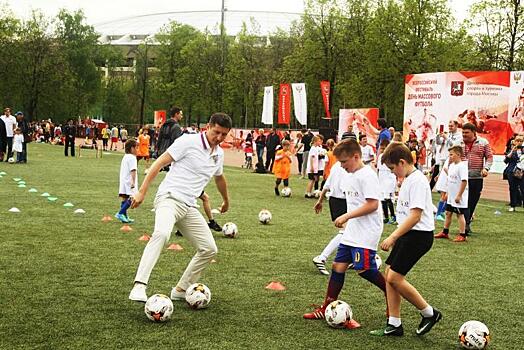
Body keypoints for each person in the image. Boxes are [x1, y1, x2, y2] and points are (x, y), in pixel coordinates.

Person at [128, 113, 231, 303]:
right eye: (216, 132)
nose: (219, 138)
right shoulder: (188, 141)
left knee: (209, 249)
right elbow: (160, 162)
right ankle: (139, 286)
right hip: (169, 198)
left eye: (224, 135)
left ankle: (181, 289)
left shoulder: (219, 153)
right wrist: (142, 192)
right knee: (161, 234)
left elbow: (219, 177)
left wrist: (226, 200)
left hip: (189, 205)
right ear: (207, 127)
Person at [303, 139, 387, 329]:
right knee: (338, 266)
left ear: (356, 157)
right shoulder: (349, 174)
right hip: (353, 230)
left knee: (364, 270)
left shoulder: (367, 175)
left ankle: (391, 292)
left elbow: (373, 204)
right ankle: (326, 308)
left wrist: (346, 216)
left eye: (344, 161)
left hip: (367, 231)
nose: (342, 165)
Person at [371, 142, 441, 337]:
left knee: (394, 277)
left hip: (418, 236)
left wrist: (393, 236)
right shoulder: (409, 179)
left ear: (402, 162)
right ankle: (394, 323)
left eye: (393, 169)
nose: (393, 174)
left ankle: (429, 313)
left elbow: (415, 216)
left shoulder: (417, 180)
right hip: (407, 234)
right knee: (389, 274)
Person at [311, 160, 347, 275]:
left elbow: (327, 184)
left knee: (353, 232)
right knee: (346, 232)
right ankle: (322, 258)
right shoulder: (347, 167)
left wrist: (320, 200)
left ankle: (351, 259)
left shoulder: (337, 165)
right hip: (343, 201)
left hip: (334, 200)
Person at [462, 123, 493, 234]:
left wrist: (486, 168)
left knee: (473, 201)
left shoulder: (483, 142)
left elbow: (489, 157)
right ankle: (465, 225)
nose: (464, 135)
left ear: (473, 132)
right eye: (463, 132)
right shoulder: (459, 143)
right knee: (465, 202)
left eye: (466, 132)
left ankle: (467, 222)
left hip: (477, 177)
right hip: (462, 178)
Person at [435, 145, 469, 242]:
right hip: (451, 196)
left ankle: (462, 235)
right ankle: (445, 232)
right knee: (448, 213)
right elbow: (450, 180)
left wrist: (459, 195)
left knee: (460, 214)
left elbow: (464, 181)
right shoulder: (452, 165)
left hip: (458, 196)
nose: (450, 156)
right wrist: (448, 193)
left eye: (451, 154)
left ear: (458, 154)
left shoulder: (462, 166)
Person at [115, 139, 138, 223]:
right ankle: (120, 213)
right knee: (132, 198)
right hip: (129, 181)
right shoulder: (132, 158)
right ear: (132, 148)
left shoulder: (125, 156)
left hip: (124, 180)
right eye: (136, 147)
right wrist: (133, 182)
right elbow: (133, 170)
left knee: (125, 198)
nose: (137, 150)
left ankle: (124, 217)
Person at [377, 140, 396, 224]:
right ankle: (386, 217)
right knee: (382, 198)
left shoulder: (391, 156)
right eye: (381, 148)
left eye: (384, 148)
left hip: (389, 178)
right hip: (382, 177)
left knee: (388, 197)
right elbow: (378, 168)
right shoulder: (380, 156)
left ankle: (393, 216)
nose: (382, 150)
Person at [503, 135, 524, 212]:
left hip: (522, 172)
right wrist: (512, 150)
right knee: (513, 188)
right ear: (514, 141)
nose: (519, 142)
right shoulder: (512, 150)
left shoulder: (523, 150)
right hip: (512, 171)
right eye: (517, 141)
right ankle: (513, 205)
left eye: (521, 141)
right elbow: (506, 161)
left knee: (522, 188)